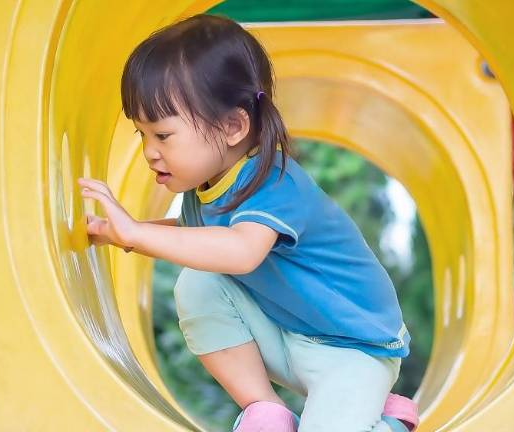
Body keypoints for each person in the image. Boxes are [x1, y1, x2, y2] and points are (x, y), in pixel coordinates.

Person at [78, 13, 419, 432]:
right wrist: (124, 235)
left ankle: (388, 423)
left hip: (355, 348)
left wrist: (136, 233)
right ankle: (266, 410)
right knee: (199, 283)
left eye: (162, 136)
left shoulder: (275, 180)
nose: (150, 151)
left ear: (233, 126)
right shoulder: (205, 188)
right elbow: (199, 240)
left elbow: (240, 251)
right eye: (141, 135)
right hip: (290, 334)